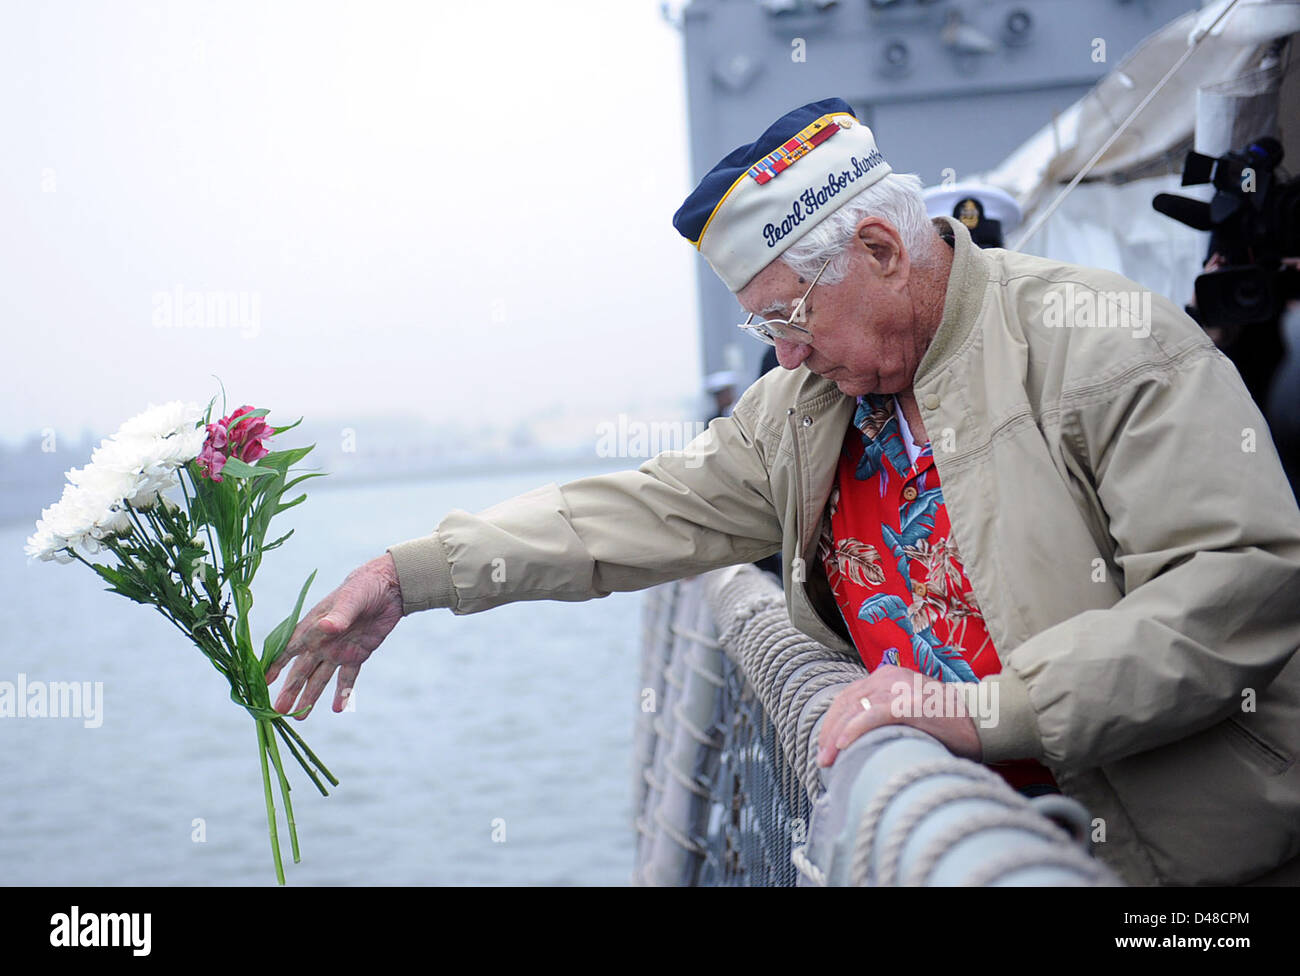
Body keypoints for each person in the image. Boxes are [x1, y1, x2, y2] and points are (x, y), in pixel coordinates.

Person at [267, 98, 1300, 886]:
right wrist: (409, 576)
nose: (787, 355)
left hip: (1194, 874)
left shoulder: (1102, 343)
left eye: (788, 316)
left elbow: (1236, 582)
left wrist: (982, 709)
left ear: (884, 251)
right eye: (767, 329)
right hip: (944, 849)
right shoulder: (804, 412)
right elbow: (632, 515)